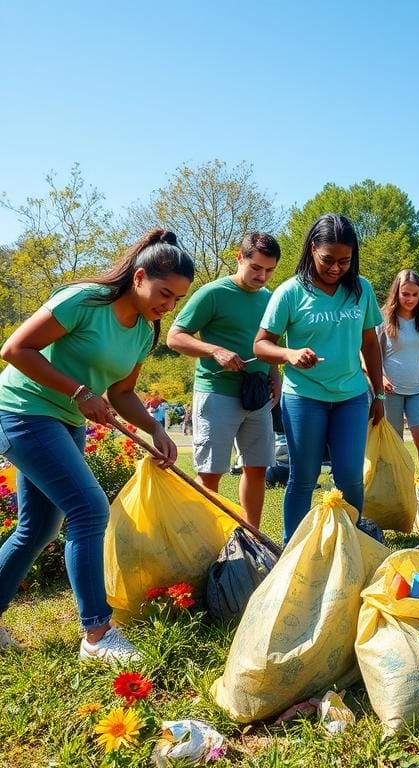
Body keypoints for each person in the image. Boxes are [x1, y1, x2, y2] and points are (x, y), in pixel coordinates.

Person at [0, 228, 193, 660]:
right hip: (22, 411)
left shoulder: (145, 331)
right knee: (89, 510)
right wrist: (80, 393)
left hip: (65, 419)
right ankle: (98, 634)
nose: (168, 305)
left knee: (38, 528)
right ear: (139, 277)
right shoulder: (85, 300)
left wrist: (155, 429)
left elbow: (123, 394)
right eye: (164, 293)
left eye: (176, 299)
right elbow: (15, 349)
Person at [254, 214, 384, 545]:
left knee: (350, 478)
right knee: (303, 477)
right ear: (312, 249)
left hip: (351, 397)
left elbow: (370, 344)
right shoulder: (290, 292)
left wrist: (379, 395)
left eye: (345, 260)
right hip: (304, 397)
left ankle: (350, 545)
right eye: (328, 259)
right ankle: (292, 548)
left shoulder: (362, 289)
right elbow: (261, 344)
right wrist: (289, 354)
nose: (336, 268)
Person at [167, 232, 282, 529]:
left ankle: (252, 536)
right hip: (216, 393)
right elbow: (175, 337)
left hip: (257, 396)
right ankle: (205, 539)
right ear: (239, 258)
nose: (262, 276)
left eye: (270, 270)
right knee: (210, 473)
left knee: (256, 468)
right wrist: (214, 350)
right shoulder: (212, 293)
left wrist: (275, 378)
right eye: (256, 267)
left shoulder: (271, 300)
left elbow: (267, 344)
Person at [379, 269, 419, 489]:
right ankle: (397, 488)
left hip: (418, 389)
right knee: (394, 443)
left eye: (415, 294)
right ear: (397, 293)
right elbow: (367, 353)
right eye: (406, 294)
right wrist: (381, 378)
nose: (410, 299)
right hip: (389, 391)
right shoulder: (383, 318)